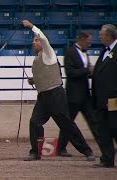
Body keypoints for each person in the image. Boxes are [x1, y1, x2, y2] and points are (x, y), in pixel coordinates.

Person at [22, 19, 95, 161]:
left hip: (56, 95)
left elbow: (42, 37)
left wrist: (32, 26)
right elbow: (44, 76)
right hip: (43, 97)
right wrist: (34, 81)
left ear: (43, 43)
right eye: (34, 41)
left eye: (36, 40)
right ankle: (35, 152)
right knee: (34, 122)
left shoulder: (48, 53)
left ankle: (87, 151)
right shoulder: (37, 59)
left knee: (67, 125)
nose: (34, 42)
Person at [58, 32, 101, 157]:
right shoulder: (70, 52)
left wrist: (92, 73)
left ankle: (105, 147)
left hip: (85, 95)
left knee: (93, 121)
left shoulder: (85, 53)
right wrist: (87, 70)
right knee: (68, 123)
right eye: (88, 41)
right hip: (73, 96)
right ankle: (61, 148)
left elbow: (83, 72)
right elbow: (70, 72)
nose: (90, 44)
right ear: (81, 39)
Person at [92, 24, 117, 168]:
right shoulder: (104, 51)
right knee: (103, 130)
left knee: (114, 127)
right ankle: (107, 159)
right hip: (101, 100)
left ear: (109, 36)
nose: (99, 36)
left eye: (101, 34)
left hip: (113, 99)